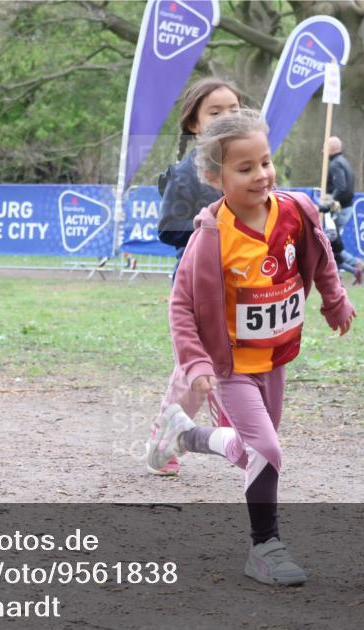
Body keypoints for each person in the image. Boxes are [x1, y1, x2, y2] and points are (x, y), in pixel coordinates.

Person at [146, 110, 356, 585]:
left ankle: (186, 436)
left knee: (250, 453)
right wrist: (196, 362)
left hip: (275, 358)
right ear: (213, 177)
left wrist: (335, 301)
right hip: (231, 366)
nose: (261, 175)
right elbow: (181, 305)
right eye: (245, 168)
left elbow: (321, 257)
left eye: (266, 162)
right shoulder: (210, 236)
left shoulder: (295, 211)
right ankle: (265, 547)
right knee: (267, 449)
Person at [146, 77, 241, 476]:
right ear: (194, 124)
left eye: (233, 109)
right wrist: (212, 229)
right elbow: (169, 228)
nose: (226, 116)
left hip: (242, 285)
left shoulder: (247, 164)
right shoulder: (185, 174)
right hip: (197, 288)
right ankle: (164, 438)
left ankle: (235, 431)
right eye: (215, 112)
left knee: (236, 361)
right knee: (194, 368)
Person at [321, 136, 364, 284]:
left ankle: (353, 265)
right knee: (331, 243)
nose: (322, 150)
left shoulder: (335, 164)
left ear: (332, 148)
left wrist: (328, 204)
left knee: (329, 242)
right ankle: (352, 268)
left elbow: (341, 188)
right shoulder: (343, 162)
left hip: (339, 209)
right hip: (344, 207)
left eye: (325, 147)